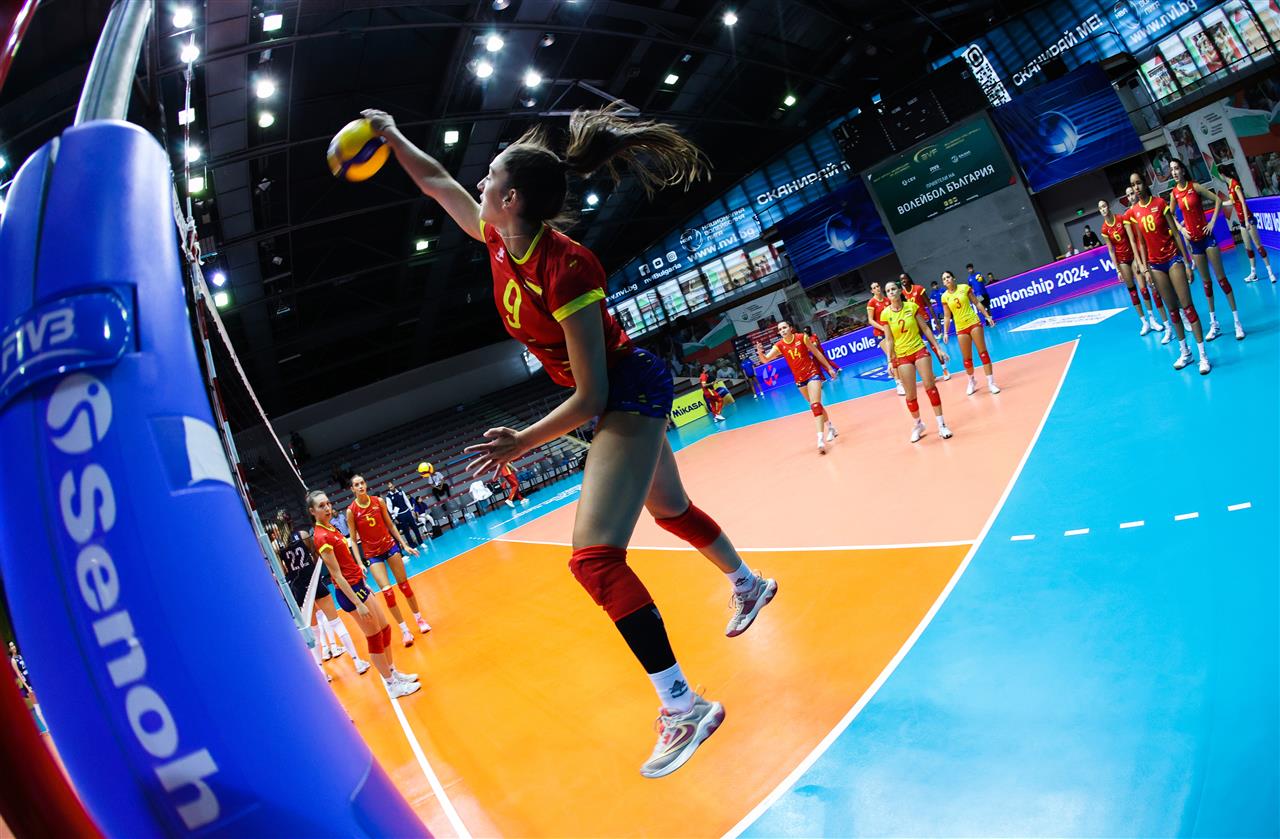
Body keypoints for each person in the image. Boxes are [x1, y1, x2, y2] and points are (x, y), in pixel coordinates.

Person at [364, 104, 778, 778]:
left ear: (512, 199)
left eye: (490, 176)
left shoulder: (567, 268)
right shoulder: (499, 238)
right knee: (670, 510)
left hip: (625, 389)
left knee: (594, 560)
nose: (479, 183)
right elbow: (438, 182)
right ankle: (747, 582)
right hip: (616, 393)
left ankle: (683, 706)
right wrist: (392, 134)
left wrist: (521, 442)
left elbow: (589, 395)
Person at [308, 491, 420, 699]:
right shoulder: (321, 537)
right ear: (312, 511)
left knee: (385, 629)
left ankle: (393, 673)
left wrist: (363, 582)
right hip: (350, 593)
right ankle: (391, 685)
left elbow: (347, 562)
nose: (327, 508)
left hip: (359, 585)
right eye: (321, 506)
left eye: (328, 503)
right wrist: (358, 603)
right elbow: (337, 575)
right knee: (375, 637)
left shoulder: (331, 528)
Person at [1126, 171, 1210, 374]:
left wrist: (1187, 263)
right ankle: (1185, 352)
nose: (1136, 188)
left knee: (1187, 307)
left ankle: (1203, 356)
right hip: (1155, 266)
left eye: (1138, 183)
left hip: (1173, 260)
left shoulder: (1160, 203)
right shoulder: (1134, 212)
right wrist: (1145, 268)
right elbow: (1141, 243)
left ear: (1145, 184)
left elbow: (1177, 233)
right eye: (1133, 185)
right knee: (1172, 311)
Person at [346, 474, 432, 645]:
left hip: (390, 547)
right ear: (352, 489)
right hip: (373, 555)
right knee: (388, 593)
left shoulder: (378, 501)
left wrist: (404, 544)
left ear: (366, 484)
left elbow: (390, 525)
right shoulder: (351, 511)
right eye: (356, 484)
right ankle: (405, 631)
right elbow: (353, 540)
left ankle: (420, 620)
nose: (361, 486)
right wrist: (359, 563)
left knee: (404, 586)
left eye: (362, 483)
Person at [1170, 159, 1244, 341]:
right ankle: (1214, 324)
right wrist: (1181, 229)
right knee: (1206, 284)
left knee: (1222, 280)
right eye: (1172, 170)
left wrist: (1211, 222)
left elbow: (1217, 199)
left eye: (1177, 168)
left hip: (1207, 239)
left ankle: (1237, 322)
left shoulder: (1194, 187)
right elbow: (1170, 215)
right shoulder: (1174, 193)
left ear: (1183, 170)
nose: (1174, 172)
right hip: (1195, 244)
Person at [879, 280, 953, 442]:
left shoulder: (912, 307)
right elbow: (889, 339)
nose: (891, 292)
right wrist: (890, 361)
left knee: (930, 387)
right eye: (888, 290)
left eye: (893, 289)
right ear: (887, 295)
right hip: (902, 355)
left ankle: (941, 425)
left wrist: (938, 348)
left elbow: (925, 328)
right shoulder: (885, 314)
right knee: (910, 395)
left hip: (919, 349)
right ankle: (918, 425)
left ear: (900, 291)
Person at [756, 320, 841, 453]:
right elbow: (765, 360)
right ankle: (830, 427)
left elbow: (817, 353)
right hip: (800, 380)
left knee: (815, 406)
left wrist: (829, 368)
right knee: (816, 405)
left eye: (784, 327)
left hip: (812, 374)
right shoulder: (779, 345)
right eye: (780, 329)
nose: (782, 331)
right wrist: (760, 352)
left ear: (790, 328)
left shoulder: (802, 338)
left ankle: (820, 439)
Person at [1098, 198, 1163, 336]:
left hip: (1133, 258)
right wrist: (1117, 270)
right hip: (1122, 262)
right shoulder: (1104, 229)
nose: (1103, 209)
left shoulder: (1121, 219)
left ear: (1108, 207)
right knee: (1133, 292)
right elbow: (1111, 250)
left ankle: (1152, 319)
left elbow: (1132, 239)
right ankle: (1144, 322)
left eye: (1104, 206)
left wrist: (1138, 260)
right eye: (1100, 208)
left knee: (1143, 289)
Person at [1121, 185, 1174, 340]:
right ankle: (1157, 322)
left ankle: (1181, 317)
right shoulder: (1128, 215)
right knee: (1146, 290)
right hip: (1141, 257)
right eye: (1128, 195)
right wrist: (1138, 261)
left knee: (1165, 289)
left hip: (1154, 254)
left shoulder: (1147, 207)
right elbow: (1132, 241)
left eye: (1132, 193)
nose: (1131, 196)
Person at [939, 271, 1000, 396]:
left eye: (948, 277)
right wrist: (945, 332)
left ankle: (991, 383)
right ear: (943, 283)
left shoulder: (964, 288)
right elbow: (947, 316)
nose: (946, 279)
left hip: (973, 323)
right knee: (967, 359)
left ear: (953, 278)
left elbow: (977, 302)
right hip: (961, 328)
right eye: (944, 279)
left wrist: (987, 316)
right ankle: (972, 381)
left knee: (983, 353)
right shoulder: (944, 297)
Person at [1221, 163, 1276, 283]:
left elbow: (1242, 202)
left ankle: (1270, 273)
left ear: (1222, 174)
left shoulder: (1235, 184)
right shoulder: (1229, 186)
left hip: (1248, 219)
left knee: (1258, 247)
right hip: (1242, 222)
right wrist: (1221, 203)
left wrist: (1246, 220)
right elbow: (1233, 202)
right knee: (1248, 249)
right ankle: (1253, 274)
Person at [901, 274, 950, 381]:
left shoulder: (918, 288)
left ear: (908, 279)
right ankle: (930, 374)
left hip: (924, 320)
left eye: (904, 278)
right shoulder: (903, 293)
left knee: (933, 345)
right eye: (901, 279)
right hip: (913, 324)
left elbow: (929, 305)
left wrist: (936, 321)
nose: (903, 280)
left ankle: (944, 369)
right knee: (919, 349)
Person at [866, 282, 899, 392]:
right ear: (872, 291)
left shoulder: (886, 299)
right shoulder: (871, 302)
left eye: (878, 286)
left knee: (898, 355)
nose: (877, 288)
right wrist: (883, 328)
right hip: (880, 334)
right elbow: (870, 320)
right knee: (892, 356)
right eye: (874, 288)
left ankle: (901, 379)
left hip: (891, 331)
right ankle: (898, 383)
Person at [385, 481, 424, 547]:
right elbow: (390, 508)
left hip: (407, 512)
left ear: (394, 485)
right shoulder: (388, 497)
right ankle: (412, 546)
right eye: (389, 488)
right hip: (400, 515)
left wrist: (411, 510)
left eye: (391, 486)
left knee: (415, 528)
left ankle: (421, 543)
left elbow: (407, 501)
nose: (391, 488)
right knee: (406, 532)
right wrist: (394, 518)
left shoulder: (401, 491)